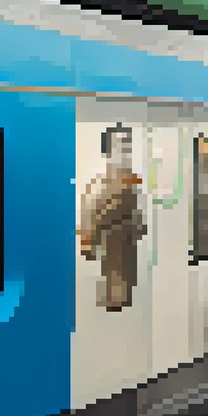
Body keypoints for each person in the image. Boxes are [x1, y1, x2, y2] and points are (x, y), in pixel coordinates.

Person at [79, 125, 147, 311]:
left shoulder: (135, 184)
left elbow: (141, 221)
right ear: (107, 150)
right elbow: (88, 217)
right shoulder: (97, 184)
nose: (125, 150)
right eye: (120, 144)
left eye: (128, 144)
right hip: (104, 251)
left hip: (126, 251)